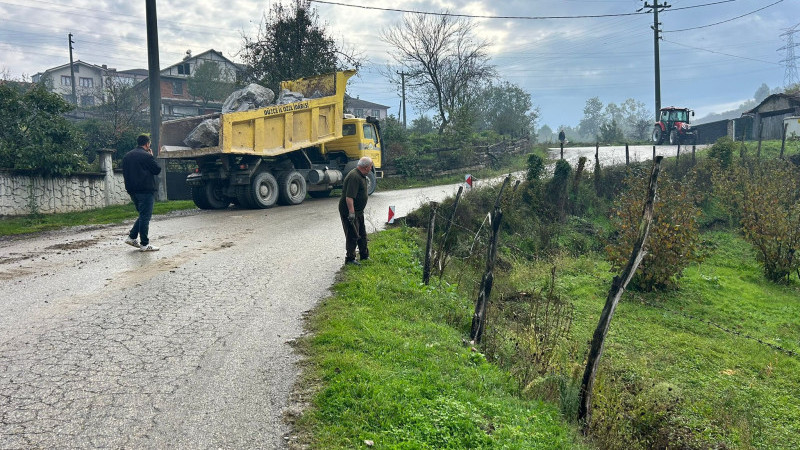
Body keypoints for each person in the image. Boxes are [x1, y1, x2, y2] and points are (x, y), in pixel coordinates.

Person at [122, 134, 162, 252]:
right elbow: (157, 170)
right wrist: (152, 156)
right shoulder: (146, 156)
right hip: (145, 190)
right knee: (145, 216)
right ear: (147, 144)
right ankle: (144, 244)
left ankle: (132, 237)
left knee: (143, 215)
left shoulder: (127, 156)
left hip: (132, 190)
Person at [339, 156, 373, 265]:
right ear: (366, 167)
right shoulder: (354, 177)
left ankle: (364, 255)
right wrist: (351, 213)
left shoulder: (361, 175)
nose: (371, 169)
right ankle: (350, 259)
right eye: (371, 167)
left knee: (362, 233)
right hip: (350, 211)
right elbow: (349, 197)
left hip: (358, 211)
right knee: (352, 234)